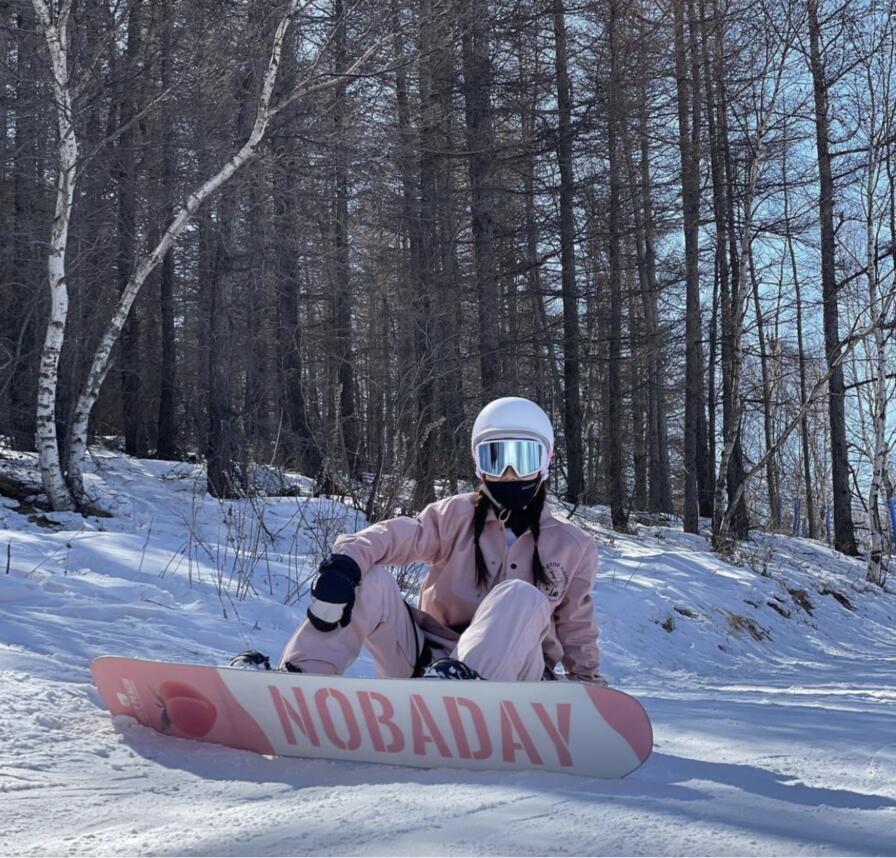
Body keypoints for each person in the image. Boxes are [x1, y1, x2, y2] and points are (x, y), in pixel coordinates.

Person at [231, 396, 606, 685]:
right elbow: (399, 535)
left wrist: (590, 693)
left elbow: (576, 626)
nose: (508, 474)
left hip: (515, 677)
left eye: (522, 459)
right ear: (478, 464)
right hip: (429, 667)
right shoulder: (455, 516)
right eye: (496, 458)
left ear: (545, 462)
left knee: (521, 595)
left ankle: (464, 692)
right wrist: (346, 563)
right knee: (371, 578)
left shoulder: (572, 546)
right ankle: (302, 683)